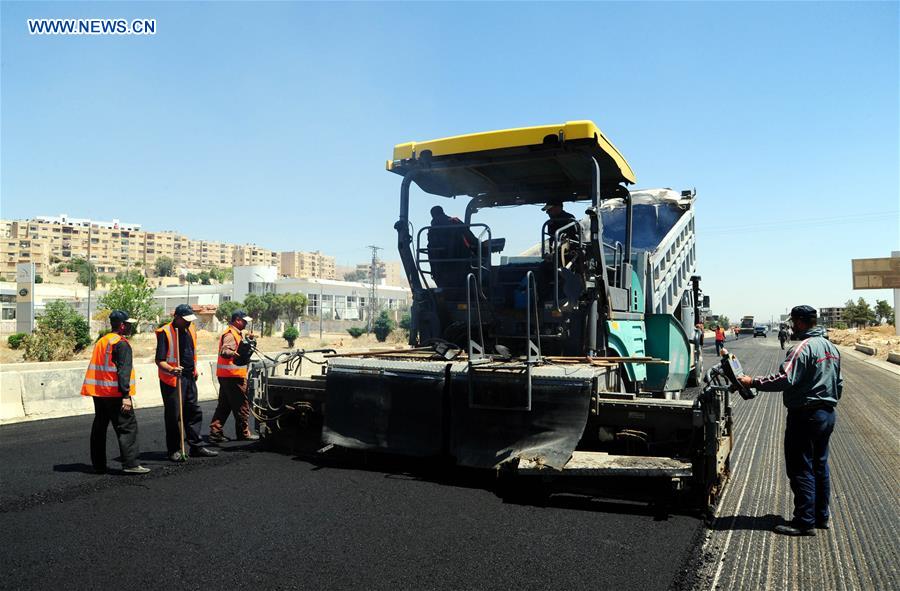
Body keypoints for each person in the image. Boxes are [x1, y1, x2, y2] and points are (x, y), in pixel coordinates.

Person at [737, 305, 842, 536]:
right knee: (819, 466)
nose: (792, 326)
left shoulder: (802, 348)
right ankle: (820, 517)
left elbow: (785, 378)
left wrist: (753, 382)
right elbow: (839, 383)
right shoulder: (831, 348)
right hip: (827, 414)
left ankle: (804, 521)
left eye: (794, 321)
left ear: (802, 322)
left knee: (801, 467)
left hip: (806, 416)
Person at [81, 310, 150, 474]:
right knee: (127, 427)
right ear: (121, 325)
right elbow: (123, 371)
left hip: (99, 393)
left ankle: (98, 465)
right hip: (115, 394)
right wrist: (126, 396)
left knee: (99, 428)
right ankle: (131, 464)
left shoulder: (102, 341)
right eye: (128, 324)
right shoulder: (121, 343)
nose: (130, 327)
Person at [156, 303, 218, 462]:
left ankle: (196, 446)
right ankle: (174, 449)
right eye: (186, 319)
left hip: (189, 377)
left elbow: (192, 351)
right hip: (173, 378)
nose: (189, 322)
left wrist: (194, 369)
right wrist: (171, 369)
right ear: (176, 317)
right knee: (175, 415)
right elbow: (160, 360)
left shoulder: (190, 329)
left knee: (193, 411)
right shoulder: (166, 332)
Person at [208, 310, 259, 444]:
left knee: (224, 406)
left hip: (227, 376)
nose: (246, 323)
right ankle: (243, 433)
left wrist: (249, 342)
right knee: (242, 405)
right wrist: (233, 354)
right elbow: (224, 351)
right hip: (234, 377)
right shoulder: (230, 334)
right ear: (237, 320)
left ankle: (215, 432)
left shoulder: (237, 334)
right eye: (244, 320)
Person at [427, 206, 476, 289]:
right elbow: (470, 237)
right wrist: (479, 245)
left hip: (440, 270)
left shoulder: (432, 230)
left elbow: (431, 251)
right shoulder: (454, 221)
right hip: (462, 264)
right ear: (443, 212)